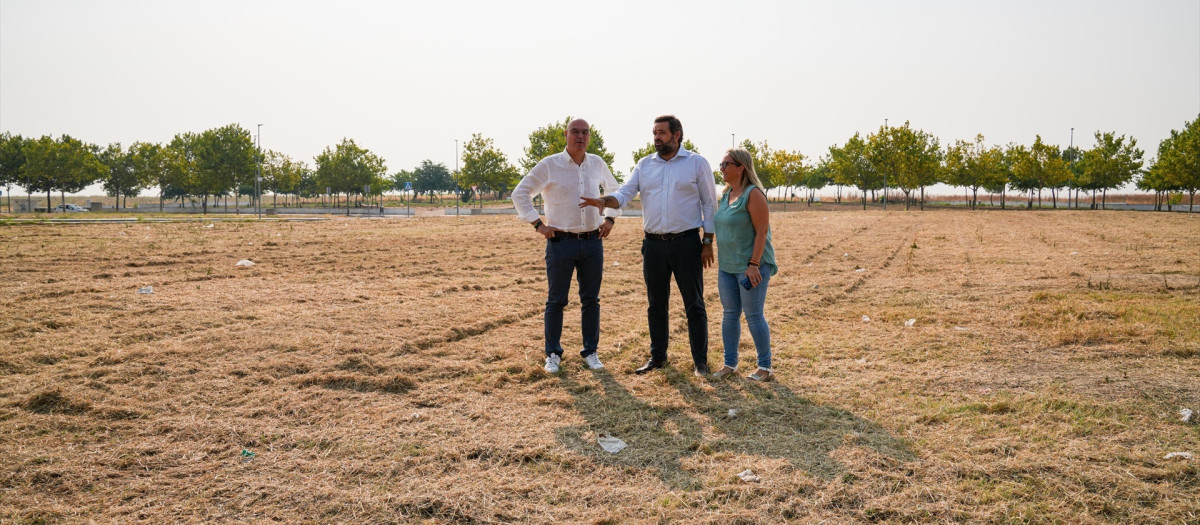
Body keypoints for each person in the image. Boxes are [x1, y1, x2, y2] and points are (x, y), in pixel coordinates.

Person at [580, 115, 718, 377]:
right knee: (656, 304)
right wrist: (605, 201)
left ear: (677, 135)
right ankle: (658, 357)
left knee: (694, 304)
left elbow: (710, 203)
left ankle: (700, 362)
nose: (657, 138)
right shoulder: (644, 165)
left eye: (662, 133)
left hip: (687, 243)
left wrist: (708, 241)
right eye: (654, 133)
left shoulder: (697, 163)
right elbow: (625, 193)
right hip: (653, 245)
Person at [512, 118, 622, 373]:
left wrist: (610, 219)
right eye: (575, 132)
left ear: (589, 136)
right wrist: (537, 224)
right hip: (560, 242)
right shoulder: (550, 165)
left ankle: (590, 351)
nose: (580, 136)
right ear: (566, 134)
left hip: (593, 242)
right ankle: (552, 353)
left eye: (585, 132)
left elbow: (616, 190)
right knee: (556, 300)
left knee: (591, 300)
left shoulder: (597, 163)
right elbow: (520, 193)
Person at [712, 148, 777, 381]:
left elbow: (762, 232)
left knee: (753, 315)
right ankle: (730, 364)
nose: (721, 168)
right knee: (729, 314)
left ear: (741, 167)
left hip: (751, 266)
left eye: (726, 164)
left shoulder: (754, 194)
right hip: (727, 267)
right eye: (721, 164)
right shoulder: (726, 195)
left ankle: (765, 367)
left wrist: (754, 264)